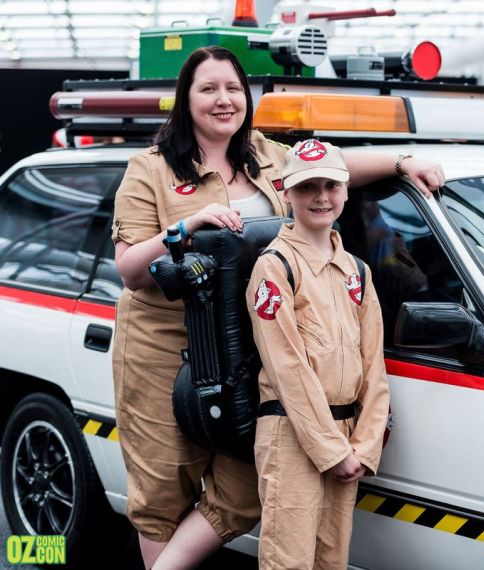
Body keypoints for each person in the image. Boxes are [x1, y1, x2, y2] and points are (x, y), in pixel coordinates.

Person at [111, 46, 443, 569]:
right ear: (186, 99)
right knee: (162, 491)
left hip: (247, 347)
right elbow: (129, 271)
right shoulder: (149, 169)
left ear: (247, 96)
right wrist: (188, 226)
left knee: (246, 482)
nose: (224, 100)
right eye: (208, 89)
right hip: (163, 352)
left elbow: (334, 169)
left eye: (232, 89)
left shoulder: (265, 154)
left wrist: (403, 161)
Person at [246, 139, 389, 569]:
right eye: (308, 187)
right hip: (293, 436)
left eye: (331, 185)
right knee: (288, 560)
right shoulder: (274, 267)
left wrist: (363, 448)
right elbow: (287, 368)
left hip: (347, 439)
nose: (321, 196)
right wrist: (333, 452)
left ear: (346, 192)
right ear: (286, 193)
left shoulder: (357, 271)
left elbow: (374, 368)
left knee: (332, 559)